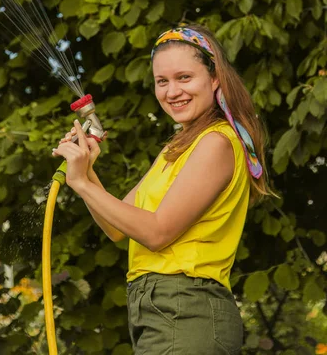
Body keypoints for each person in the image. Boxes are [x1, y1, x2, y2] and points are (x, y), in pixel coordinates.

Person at [52, 24, 274, 354]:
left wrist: (82, 183)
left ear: (215, 79)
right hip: (162, 310)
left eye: (184, 77)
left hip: (186, 307)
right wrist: (88, 174)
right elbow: (116, 228)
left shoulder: (216, 142)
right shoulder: (180, 147)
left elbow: (157, 233)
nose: (172, 92)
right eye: (162, 81)